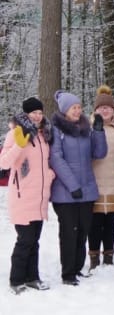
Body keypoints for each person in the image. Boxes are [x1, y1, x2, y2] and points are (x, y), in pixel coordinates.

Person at [49, 90, 107, 286]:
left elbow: (99, 153)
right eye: (74, 107)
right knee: (69, 232)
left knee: (83, 230)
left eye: (79, 107)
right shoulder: (57, 130)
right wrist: (72, 185)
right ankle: (68, 273)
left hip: (87, 190)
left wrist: (99, 131)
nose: (78, 110)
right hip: (65, 192)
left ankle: (77, 268)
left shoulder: (85, 128)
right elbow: (56, 158)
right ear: (65, 110)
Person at [0, 98, 55, 294]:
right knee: (25, 240)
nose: (37, 116)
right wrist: (19, 145)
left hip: (40, 197)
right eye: (33, 113)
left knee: (35, 241)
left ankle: (32, 277)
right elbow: (4, 163)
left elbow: (45, 163)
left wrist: (50, 175)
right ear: (25, 114)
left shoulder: (43, 135)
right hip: (22, 196)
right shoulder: (15, 134)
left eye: (40, 112)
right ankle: (16, 280)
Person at [88, 85, 114, 270]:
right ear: (95, 110)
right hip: (94, 181)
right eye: (101, 107)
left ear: (113, 109)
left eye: (108, 107)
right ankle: (94, 256)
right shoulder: (88, 127)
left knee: (110, 222)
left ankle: (109, 255)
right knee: (94, 223)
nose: (105, 110)